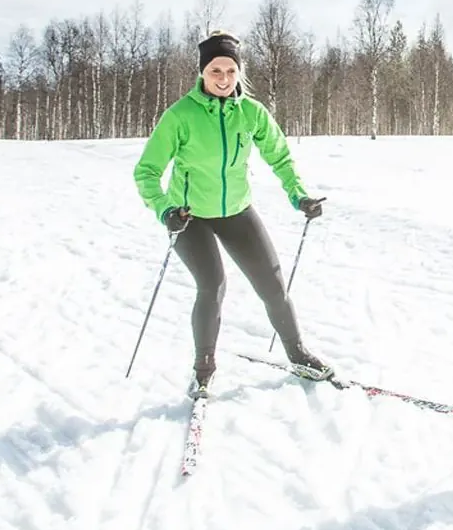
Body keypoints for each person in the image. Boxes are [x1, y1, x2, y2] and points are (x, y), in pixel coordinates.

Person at [133, 30, 333, 398]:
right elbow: (146, 172)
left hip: (237, 211)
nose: (223, 79)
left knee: (273, 285)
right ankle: (203, 369)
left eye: (230, 70)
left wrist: (299, 196)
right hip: (189, 216)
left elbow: (280, 158)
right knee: (213, 284)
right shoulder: (180, 115)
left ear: (239, 72)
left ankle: (298, 354)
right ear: (202, 72)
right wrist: (165, 211)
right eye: (215, 70)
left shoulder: (252, 113)